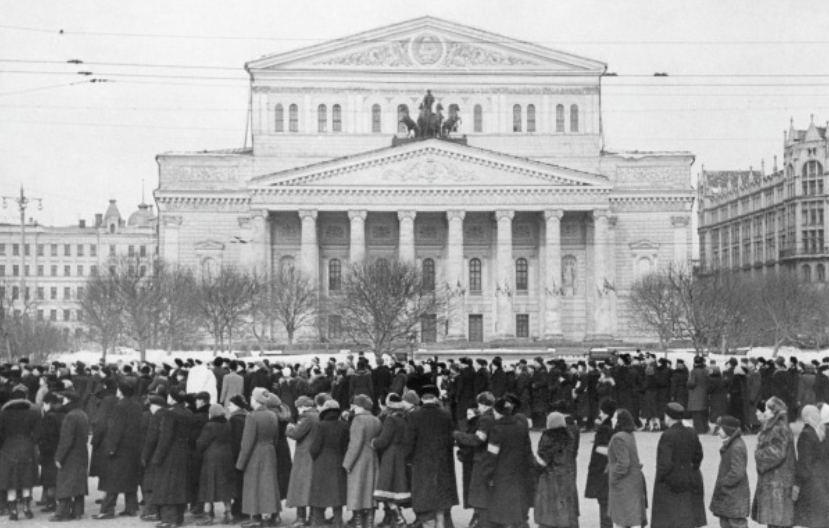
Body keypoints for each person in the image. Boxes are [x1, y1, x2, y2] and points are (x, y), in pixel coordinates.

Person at [405, 384, 458, 528]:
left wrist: (408, 459)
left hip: (421, 462)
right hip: (442, 462)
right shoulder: (446, 414)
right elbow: (451, 438)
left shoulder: (413, 415)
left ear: (421, 399)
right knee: (440, 501)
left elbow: (409, 441)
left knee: (425, 499)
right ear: (435, 398)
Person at [651, 402, 706, 528]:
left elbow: (665, 463)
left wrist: (660, 478)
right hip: (689, 478)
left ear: (668, 417)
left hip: (671, 482)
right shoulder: (691, 432)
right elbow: (699, 455)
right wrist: (693, 469)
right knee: (686, 518)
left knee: (669, 520)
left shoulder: (668, 435)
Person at [93, 381, 144, 519]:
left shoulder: (119, 406)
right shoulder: (137, 406)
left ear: (120, 392)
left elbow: (116, 429)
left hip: (120, 449)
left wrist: (111, 448)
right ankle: (131, 508)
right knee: (130, 479)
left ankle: (107, 510)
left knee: (112, 480)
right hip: (134, 449)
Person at [236, 387, 281, 527]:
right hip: (270, 450)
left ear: (255, 400)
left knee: (253, 485)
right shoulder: (273, 415)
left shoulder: (252, 416)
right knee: (269, 484)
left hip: (256, 452)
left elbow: (247, 442)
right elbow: (276, 437)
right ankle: (271, 515)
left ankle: (255, 517)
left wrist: (240, 463)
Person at [153, 387, 194, 528]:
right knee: (180, 485)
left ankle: (168, 519)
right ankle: (178, 518)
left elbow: (165, 438)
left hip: (171, 453)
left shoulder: (170, 414)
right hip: (184, 451)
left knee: (168, 485)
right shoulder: (188, 412)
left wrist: (157, 457)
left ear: (172, 398)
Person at [751, 396, 795, 528]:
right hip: (776, 480)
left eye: (767, 409)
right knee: (775, 521)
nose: (764, 411)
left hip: (778, 482)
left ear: (773, 411)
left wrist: (758, 455)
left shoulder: (779, 427)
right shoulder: (775, 425)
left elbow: (777, 453)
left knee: (778, 521)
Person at [453, 391, 496, 528]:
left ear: (483, 404)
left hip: (481, 459)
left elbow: (478, 439)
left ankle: (480, 520)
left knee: (479, 492)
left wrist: (458, 435)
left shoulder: (485, 419)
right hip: (490, 458)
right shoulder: (494, 416)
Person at [308, 399, 349, 528]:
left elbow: (314, 447)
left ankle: (317, 521)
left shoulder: (321, 425)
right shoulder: (344, 425)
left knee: (319, 492)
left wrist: (314, 456)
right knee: (337, 492)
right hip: (338, 460)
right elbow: (345, 446)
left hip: (321, 461)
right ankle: (337, 521)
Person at [534, 411, 579, 528]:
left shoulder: (549, 437)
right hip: (567, 479)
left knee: (548, 516)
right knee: (566, 514)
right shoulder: (569, 436)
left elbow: (541, 461)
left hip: (550, 480)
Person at [372, 394, 411, 528]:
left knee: (386, 488)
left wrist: (373, 442)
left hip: (390, 455)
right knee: (395, 489)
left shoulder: (390, 420)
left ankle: (399, 520)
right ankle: (397, 519)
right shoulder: (403, 419)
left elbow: (383, 440)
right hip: (400, 455)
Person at [344, 394, 382, 528]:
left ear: (359, 406)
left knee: (357, 492)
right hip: (373, 458)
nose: (353, 408)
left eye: (355, 405)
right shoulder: (376, 419)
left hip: (359, 459)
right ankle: (370, 523)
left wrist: (347, 463)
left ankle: (359, 524)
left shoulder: (358, 420)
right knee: (370, 493)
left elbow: (355, 444)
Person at [196, 403, 237, 525]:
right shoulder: (228, 424)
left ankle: (208, 516)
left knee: (209, 486)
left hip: (212, 459)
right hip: (227, 457)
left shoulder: (210, 425)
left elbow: (201, 443)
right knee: (225, 486)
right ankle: (229, 514)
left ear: (212, 414)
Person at [607, 408, 648, 528]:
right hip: (633, 481)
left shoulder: (618, 437)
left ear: (619, 421)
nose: (612, 419)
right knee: (632, 518)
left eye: (615, 417)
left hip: (623, 484)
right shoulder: (629, 435)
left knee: (621, 520)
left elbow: (623, 463)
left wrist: (613, 477)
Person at [709, 416, 750, 528]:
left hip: (733, 498)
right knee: (726, 522)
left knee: (735, 523)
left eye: (720, 428)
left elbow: (737, 473)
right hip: (731, 497)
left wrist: (723, 483)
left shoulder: (736, 446)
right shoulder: (733, 444)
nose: (718, 431)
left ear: (728, 429)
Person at [285, 395, 319, 528]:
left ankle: (301, 518)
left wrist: (289, 427)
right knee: (311, 486)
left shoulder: (306, 417)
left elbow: (296, 434)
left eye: (298, 407)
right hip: (314, 454)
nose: (298, 410)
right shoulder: (318, 415)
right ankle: (313, 517)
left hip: (304, 455)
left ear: (303, 406)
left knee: (300, 486)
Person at [793, 405, 826, 528]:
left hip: (811, 485)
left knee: (811, 521)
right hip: (822, 482)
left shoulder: (806, 435)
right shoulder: (821, 432)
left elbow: (804, 464)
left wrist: (797, 483)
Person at [585, 398, 617, 528]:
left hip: (601, 469)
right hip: (605, 469)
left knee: (604, 502)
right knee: (605, 501)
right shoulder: (608, 426)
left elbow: (602, 448)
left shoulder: (604, 428)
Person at [38, 392, 66, 512]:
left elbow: (46, 436)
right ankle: (55, 501)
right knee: (55, 478)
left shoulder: (49, 417)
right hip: (58, 450)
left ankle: (51, 503)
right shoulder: (62, 414)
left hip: (49, 452)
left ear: (48, 403)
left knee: (49, 479)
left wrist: (42, 451)